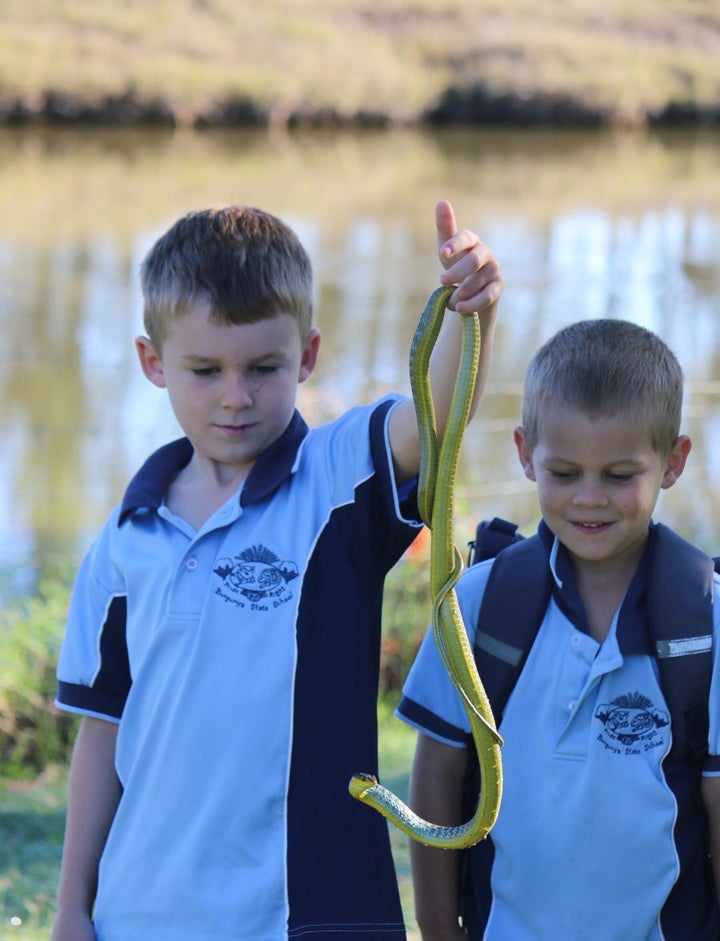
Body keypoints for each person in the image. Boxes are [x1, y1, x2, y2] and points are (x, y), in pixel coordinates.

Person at [51, 200, 503, 941]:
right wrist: (72, 909)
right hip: (140, 915)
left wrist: (470, 313)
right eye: (206, 369)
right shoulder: (122, 540)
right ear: (153, 362)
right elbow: (101, 738)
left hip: (311, 915)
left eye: (263, 367)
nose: (236, 395)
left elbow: (434, 421)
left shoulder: (335, 477)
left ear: (307, 354)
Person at [397, 318, 720, 941]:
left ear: (673, 461)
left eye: (621, 475)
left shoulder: (705, 621)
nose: (590, 498)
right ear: (524, 454)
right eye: (565, 473)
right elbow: (436, 777)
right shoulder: (474, 605)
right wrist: (440, 932)